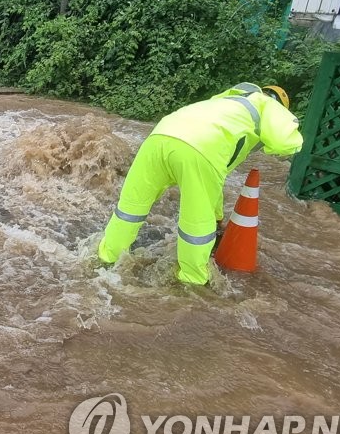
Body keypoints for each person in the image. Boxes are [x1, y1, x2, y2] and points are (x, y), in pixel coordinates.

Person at [97, 83, 303, 285]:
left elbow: (215, 182)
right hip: (199, 148)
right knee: (196, 223)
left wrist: (218, 217)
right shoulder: (266, 105)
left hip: (158, 136)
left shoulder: (224, 103)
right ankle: (192, 280)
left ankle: (106, 258)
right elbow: (286, 142)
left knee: (130, 208)